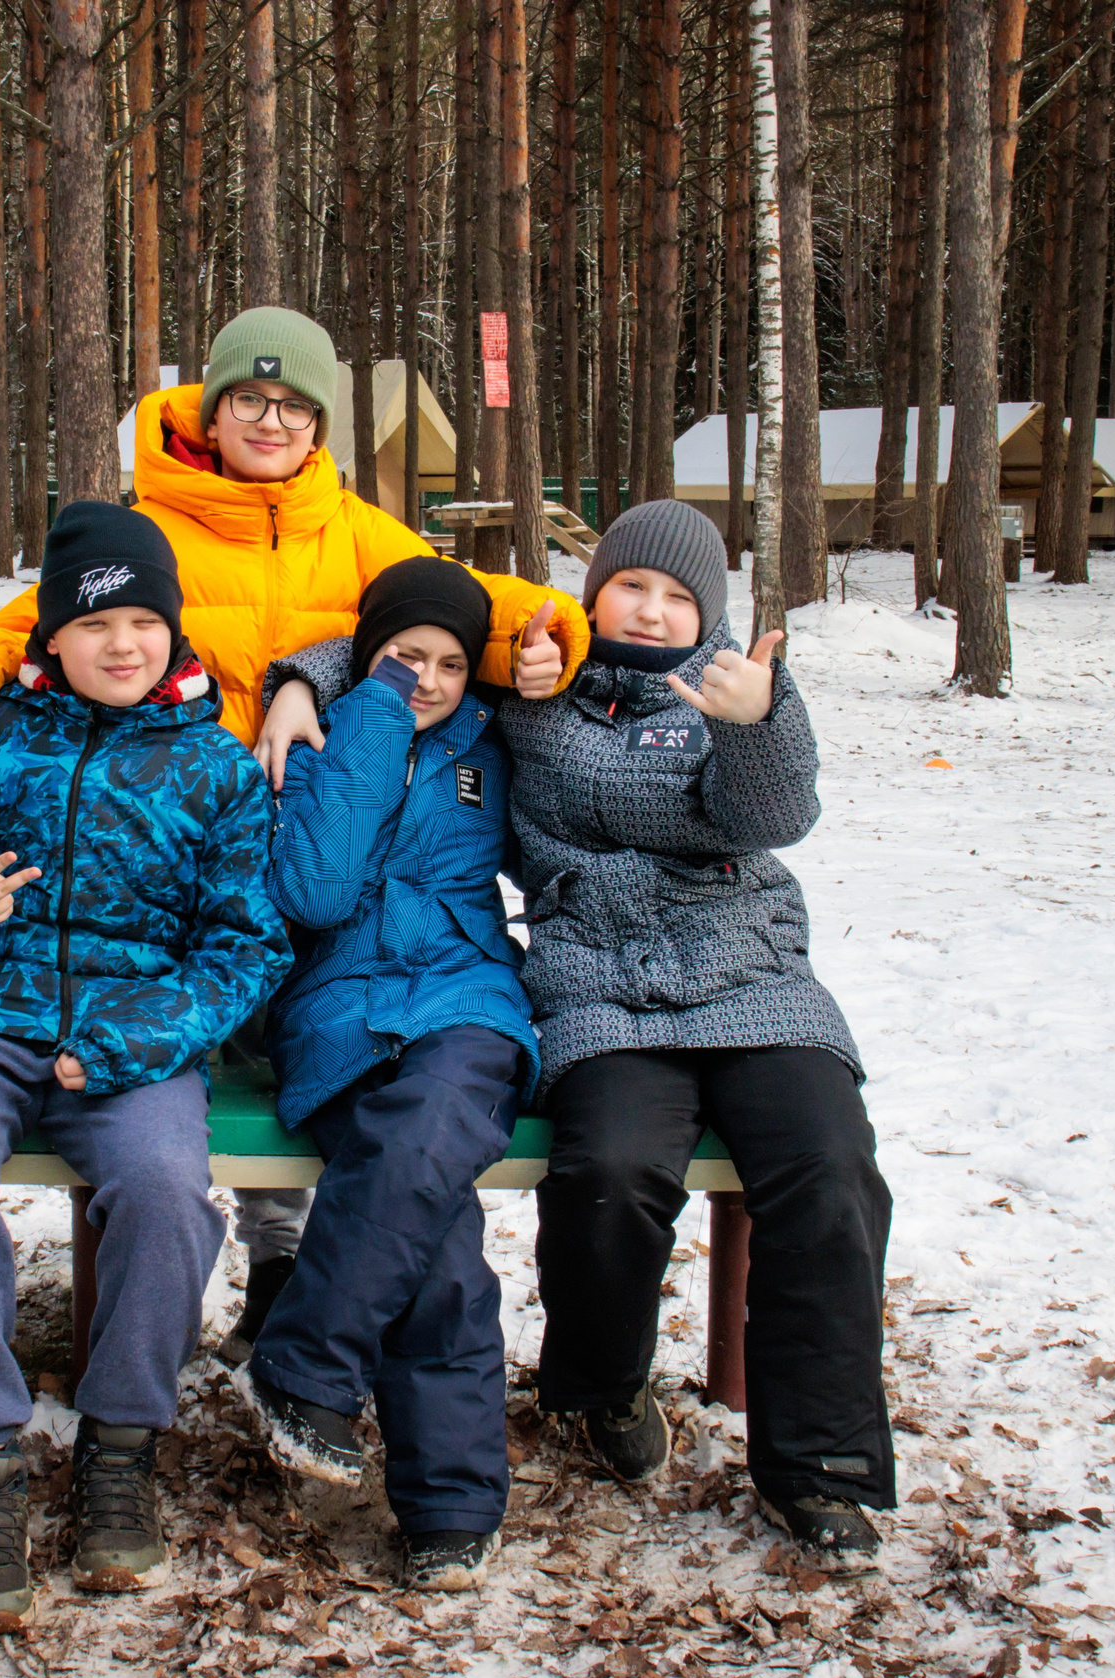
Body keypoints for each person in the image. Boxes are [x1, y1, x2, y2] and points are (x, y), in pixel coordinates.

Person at [0, 307, 589, 1357]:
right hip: (168, 832)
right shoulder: (150, 526)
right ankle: (257, 1255)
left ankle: (283, 1252)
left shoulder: (349, 528)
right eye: (249, 399)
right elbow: (29, 628)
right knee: (220, 1010)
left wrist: (544, 639)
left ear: (318, 427)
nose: (270, 421)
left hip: (306, 824)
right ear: (209, 408)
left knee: (292, 1000)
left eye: (294, 407)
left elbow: (453, 609)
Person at [257, 500, 894, 1575]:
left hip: (749, 970)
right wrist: (305, 677)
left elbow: (770, 815)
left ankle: (821, 1467)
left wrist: (761, 717)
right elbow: (416, 635)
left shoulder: (729, 690)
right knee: (604, 1172)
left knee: (830, 1174)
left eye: (678, 596)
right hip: (595, 978)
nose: (649, 611)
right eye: (630, 587)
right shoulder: (529, 684)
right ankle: (600, 1387)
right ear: (588, 594)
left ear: (712, 614)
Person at [0, 502, 291, 1632]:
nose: (123, 643)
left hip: (133, 1029)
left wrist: (132, 1039)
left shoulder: (214, 768)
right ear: (51, 636)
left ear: (174, 633)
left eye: (145, 621)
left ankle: (120, 1446)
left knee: (164, 1188)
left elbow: (245, 943)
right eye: (96, 621)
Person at [233, 561, 539, 1593]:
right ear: (368, 656)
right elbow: (312, 891)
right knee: (438, 1236)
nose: (431, 677)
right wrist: (368, 713)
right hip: (340, 1008)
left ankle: (304, 1362)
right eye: (406, 656)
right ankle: (450, 1502)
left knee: (418, 1145)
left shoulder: (495, 746)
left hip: (466, 998)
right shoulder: (317, 737)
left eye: (452, 662)